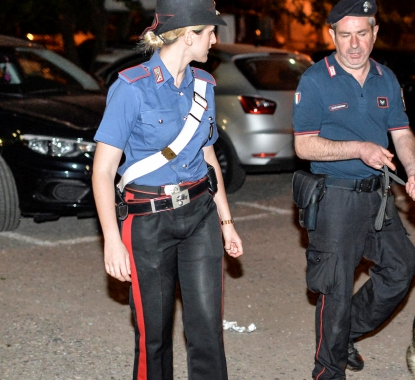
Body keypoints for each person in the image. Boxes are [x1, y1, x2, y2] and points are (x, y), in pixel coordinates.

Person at [91, 0, 242, 378]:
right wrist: (111, 239)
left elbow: (208, 158)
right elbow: (103, 169)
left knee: (207, 328)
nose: (214, 40)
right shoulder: (131, 87)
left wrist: (227, 222)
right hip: (147, 223)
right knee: (153, 334)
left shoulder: (204, 86)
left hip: (199, 215)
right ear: (189, 36)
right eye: (210, 32)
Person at [292, 0, 415, 378]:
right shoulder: (315, 79)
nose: (354, 44)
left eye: (362, 34)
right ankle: (328, 372)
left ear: (375, 33)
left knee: (403, 268)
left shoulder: (387, 78)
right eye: (345, 35)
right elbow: (303, 145)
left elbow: (401, 132)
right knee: (334, 288)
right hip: (335, 197)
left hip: (379, 195)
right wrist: (359, 149)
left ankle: (346, 331)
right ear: (331, 35)